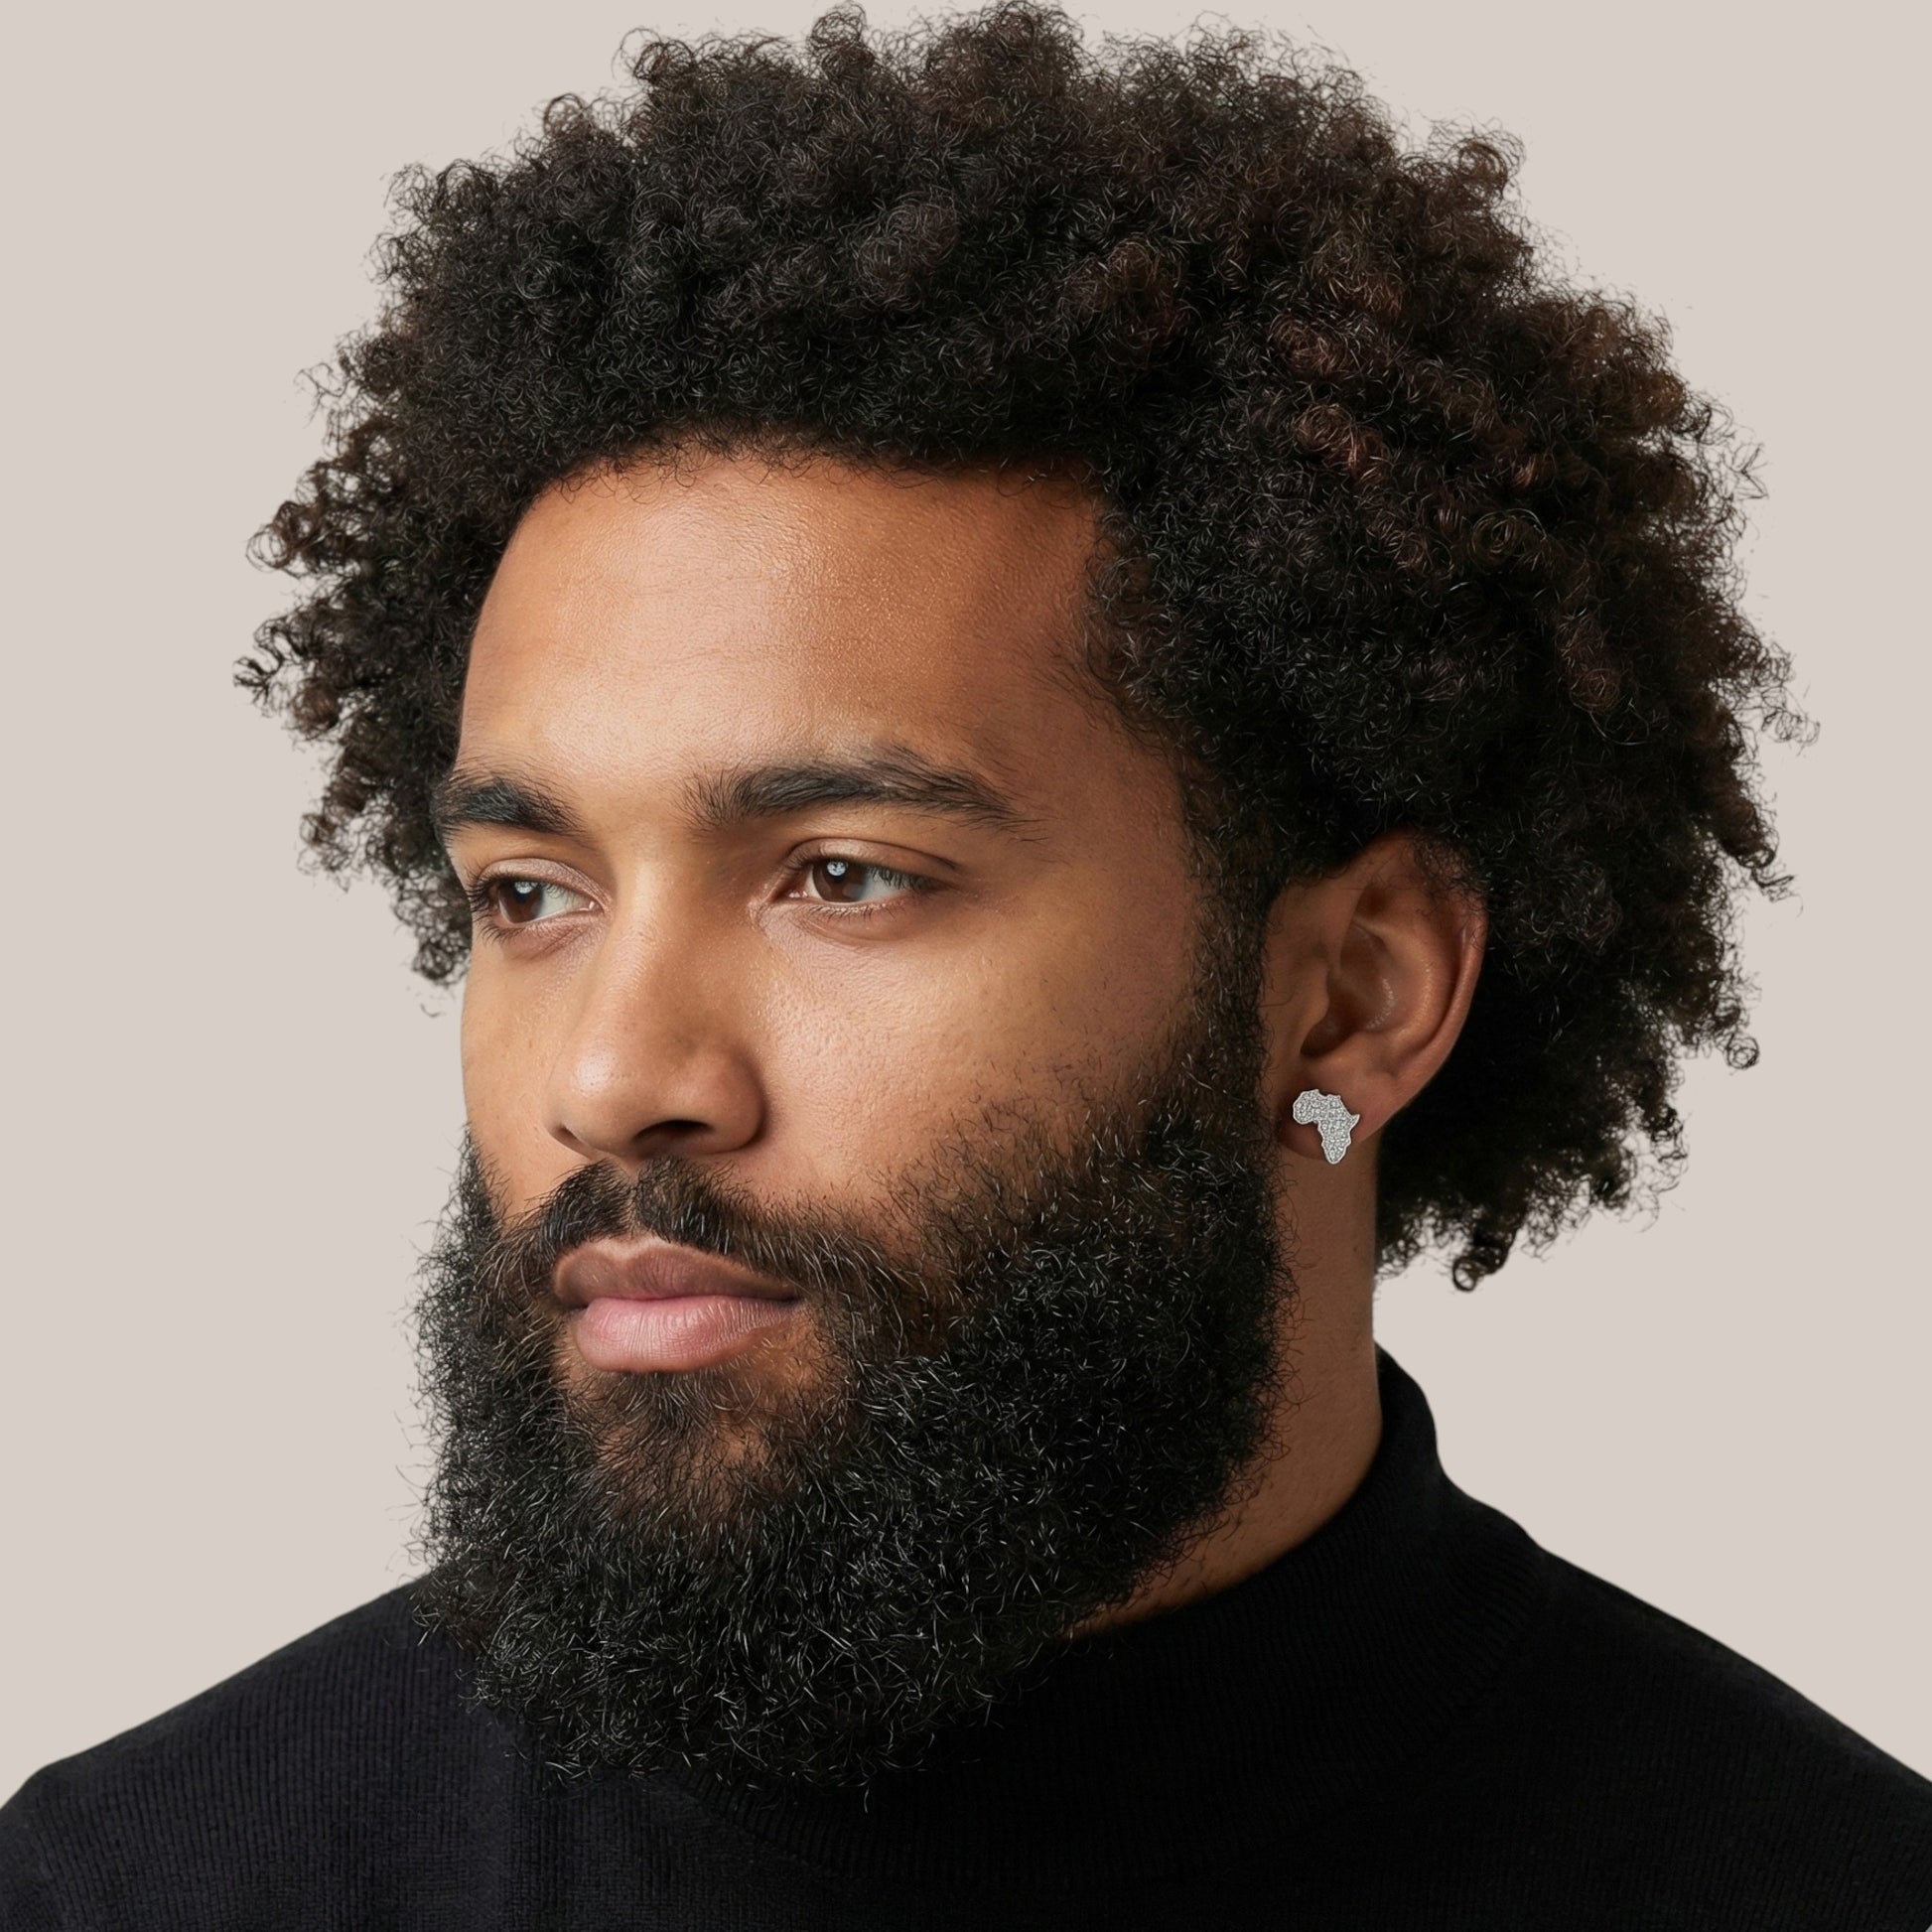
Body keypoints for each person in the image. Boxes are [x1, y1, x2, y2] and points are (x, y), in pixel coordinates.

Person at [4, 6, 1927, 1925]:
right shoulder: (147, 1887)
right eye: (530, 893)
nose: (613, 1075)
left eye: (839, 876)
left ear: (1355, 993)